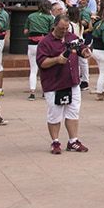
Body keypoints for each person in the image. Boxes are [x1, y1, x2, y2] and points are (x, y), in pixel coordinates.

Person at [36, 14, 88, 154]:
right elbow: (41, 63)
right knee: (55, 113)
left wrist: (85, 51)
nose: (64, 31)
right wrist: (56, 60)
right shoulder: (45, 42)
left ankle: (73, 141)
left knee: (73, 112)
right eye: (61, 28)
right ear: (54, 26)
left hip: (72, 82)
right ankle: (55, 141)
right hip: (54, 83)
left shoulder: (72, 37)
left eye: (66, 28)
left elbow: (81, 48)